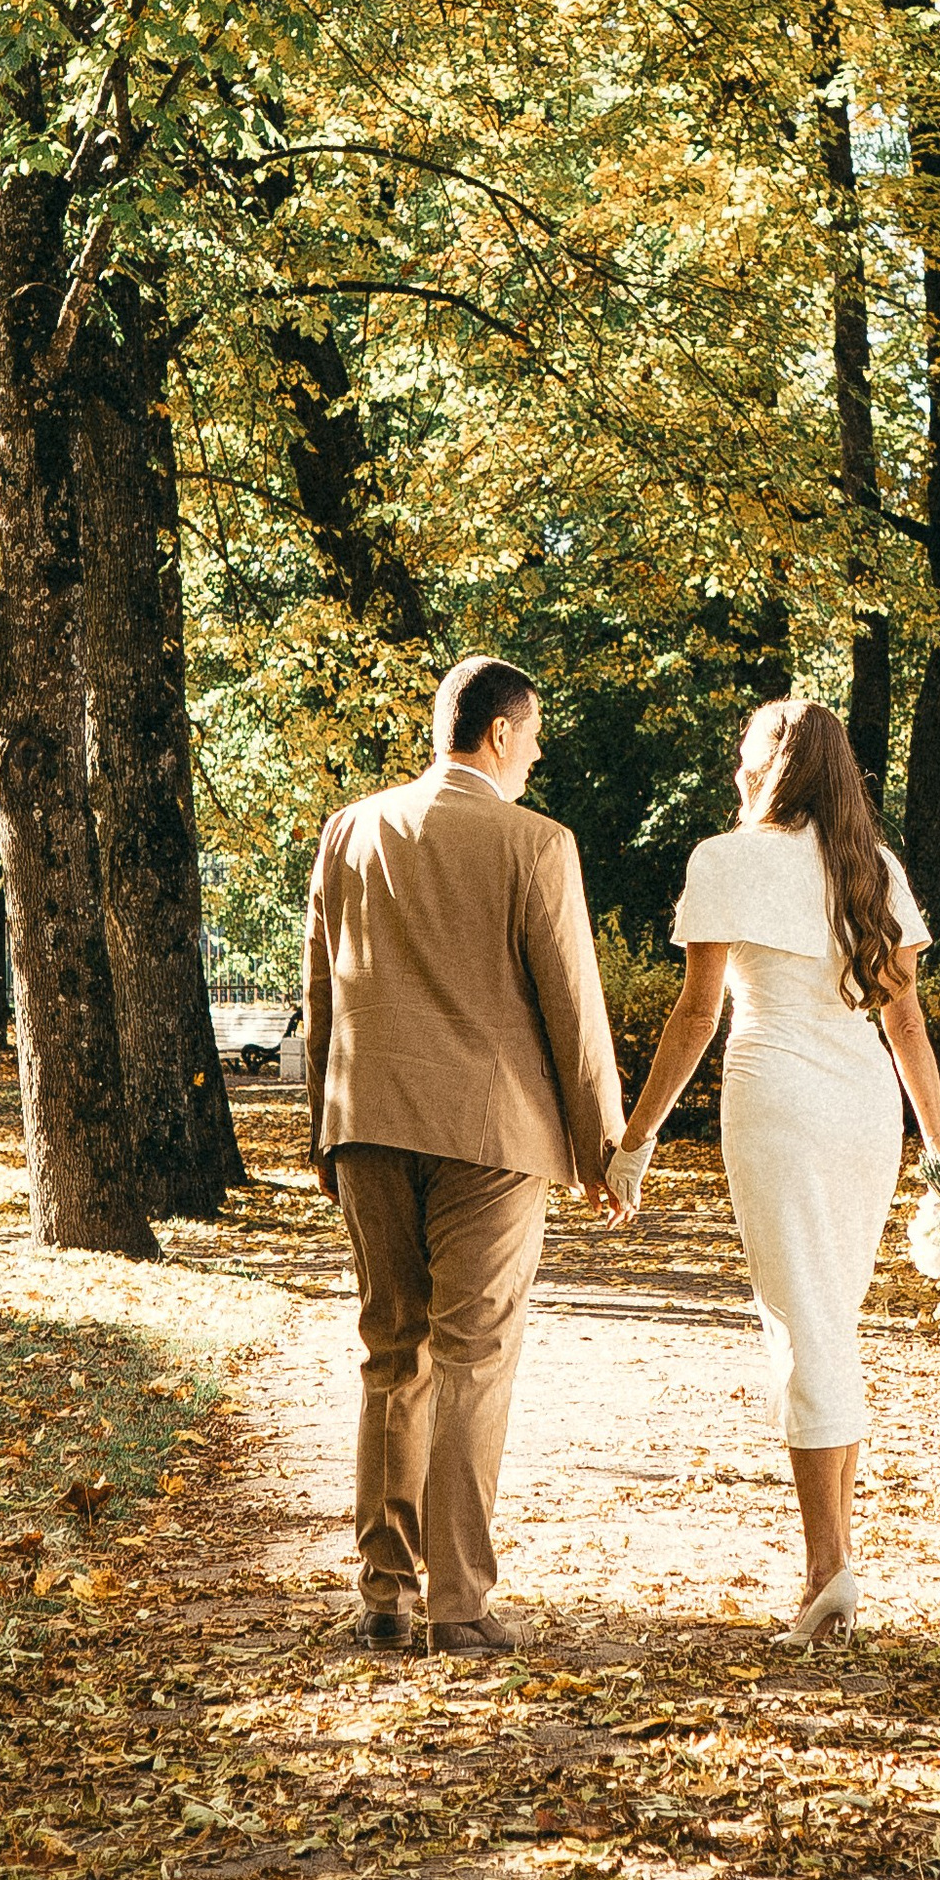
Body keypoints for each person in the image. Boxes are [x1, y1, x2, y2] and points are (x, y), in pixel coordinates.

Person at [608, 698, 940, 1646]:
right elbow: (907, 1023)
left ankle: (826, 1571)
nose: (736, 764)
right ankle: (833, 1563)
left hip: (777, 1103)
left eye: (746, 751)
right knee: (827, 1318)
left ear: (774, 766)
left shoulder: (727, 859)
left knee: (803, 1326)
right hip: (865, 1108)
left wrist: (634, 1141)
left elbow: (695, 1016)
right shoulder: (872, 869)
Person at [306, 654, 629, 1656]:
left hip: (367, 1118)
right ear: (498, 732)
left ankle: (382, 1593)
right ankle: (457, 1605)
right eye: (531, 736)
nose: (534, 755)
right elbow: (571, 1007)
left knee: (388, 1353)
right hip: (489, 1138)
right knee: (472, 1358)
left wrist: (326, 1123)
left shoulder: (351, 830)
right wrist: (601, 1150)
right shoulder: (535, 842)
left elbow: (322, 989)